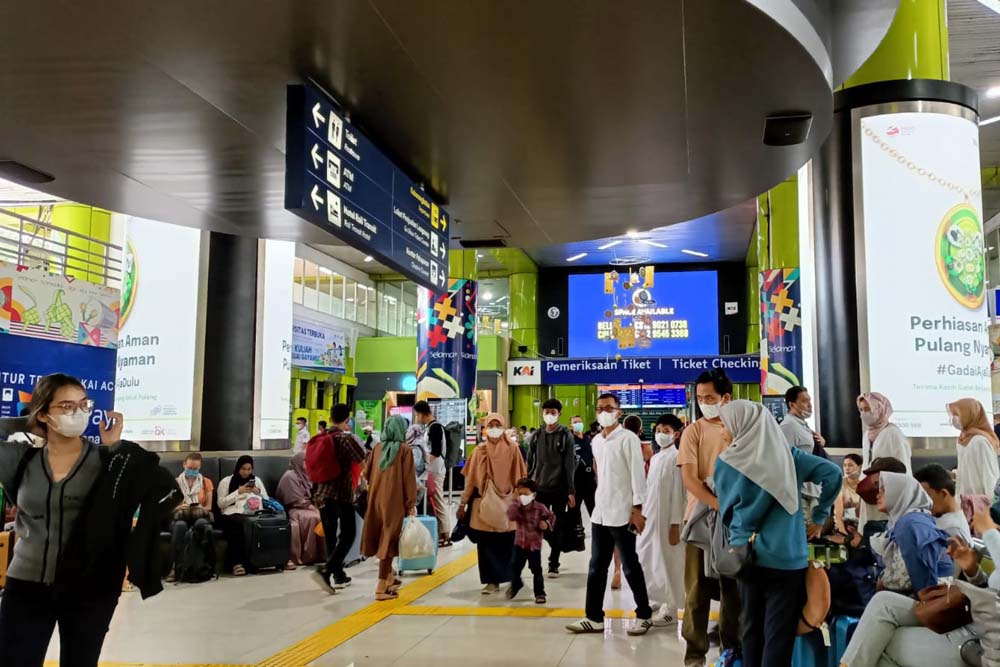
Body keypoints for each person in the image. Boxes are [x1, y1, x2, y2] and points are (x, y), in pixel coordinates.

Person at [0, 373, 178, 667]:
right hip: (27, 584)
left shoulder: (108, 460)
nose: (79, 413)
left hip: (90, 586)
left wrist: (117, 447)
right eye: (67, 407)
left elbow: (167, 489)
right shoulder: (21, 459)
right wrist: (25, 422)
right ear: (44, 413)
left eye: (84, 404)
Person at [715, 400, 842, 667]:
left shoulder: (726, 463)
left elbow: (726, 511)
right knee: (779, 633)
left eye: (725, 424)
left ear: (742, 426)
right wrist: (819, 518)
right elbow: (833, 474)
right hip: (787, 558)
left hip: (747, 556)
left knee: (751, 627)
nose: (723, 430)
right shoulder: (791, 456)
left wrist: (742, 531)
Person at [840, 493, 978, 667]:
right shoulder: (910, 523)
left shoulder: (913, 525)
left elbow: (901, 578)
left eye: (883, 489)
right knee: (880, 616)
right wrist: (973, 571)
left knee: (879, 638)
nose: (878, 495)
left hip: (973, 638)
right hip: (965, 618)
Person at [566, 393, 653, 637]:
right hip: (601, 512)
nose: (604, 412)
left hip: (623, 512)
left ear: (619, 412)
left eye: (609, 408)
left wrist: (638, 509)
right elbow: (600, 475)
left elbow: (638, 475)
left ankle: (644, 614)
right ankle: (593, 617)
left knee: (630, 566)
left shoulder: (628, 439)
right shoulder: (596, 442)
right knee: (596, 567)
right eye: (600, 408)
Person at [678, 369, 741, 666]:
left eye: (710, 398)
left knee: (733, 591)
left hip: (737, 523)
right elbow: (690, 479)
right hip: (700, 521)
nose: (705, 403)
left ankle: (731, 652)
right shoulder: (694, 431)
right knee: (696, 591)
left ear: (726, 397)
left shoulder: (741, 429)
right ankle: (694, 654)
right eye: (700, 398)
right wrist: (717, 503)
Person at [458, 412, 527, 594]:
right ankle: (492, 581)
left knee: (507, 543)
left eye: (498, 424)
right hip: (484, 505)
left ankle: (510, 576)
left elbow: (520, 478)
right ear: (486, 428)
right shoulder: (479, 451)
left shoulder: (513, 449)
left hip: (508, 504)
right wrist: (462, 503)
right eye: (491, 425)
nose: (495, 428)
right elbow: (471, 481)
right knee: (486, 545)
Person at [360, 415, 418, 601]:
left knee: (382, 538)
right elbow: (409, 480)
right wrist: (411, 504)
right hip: (394, 501)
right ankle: (380, 586)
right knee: (390, 541)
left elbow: (367, 475)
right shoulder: (404, 450)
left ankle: (390, 577)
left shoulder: (377, 448)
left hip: (375, 499)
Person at [637, 413, 687, 627]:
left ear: (676, 434)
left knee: (670, 562)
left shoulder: (677, 458)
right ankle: (658, 597)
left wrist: (676, 524)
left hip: (669, 520)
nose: (660, 435)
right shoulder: (656, 458)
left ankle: (672, 608)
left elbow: (679, 494)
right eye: (658, 431)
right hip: (652, 518)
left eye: (665, 431)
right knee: (651, 559)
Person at [313, 403, 367, 592]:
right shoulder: (346, 439)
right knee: (348, 534)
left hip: (321, 494)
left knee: (330, 536)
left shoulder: (320, 438)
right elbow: (364, 462)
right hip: (341, 494)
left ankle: (338, 575)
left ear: (330, 418)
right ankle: (328, 569)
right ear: (348, 419)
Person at [871, 472, 953, 595]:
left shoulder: (910, 524)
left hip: (931, 598)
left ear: (900, 493)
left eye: (884, 490)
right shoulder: (910, 520)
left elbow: (912, 577)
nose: (878, 495)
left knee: (881, 600)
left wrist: (883, 581)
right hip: (932, 594)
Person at [527, 398, 576, 578]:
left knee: (558, 525)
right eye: (546, 412)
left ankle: (553, 562)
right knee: (538, 524)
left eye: (553, 412)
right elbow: (530, 462)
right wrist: (528, 485)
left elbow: (569, 464)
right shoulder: (537, 436)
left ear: (559, 414)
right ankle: (540, 558)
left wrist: (571, 490)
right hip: (539, 488)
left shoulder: (565, 436)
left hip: (559, 489)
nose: (549, 415)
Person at [218, 455, 275, 576]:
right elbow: (221, 504)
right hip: (231, 513)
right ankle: (236, 563)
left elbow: (266, 499)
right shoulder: (227, 481)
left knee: (257, 524)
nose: (246, 472)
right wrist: (238, 492)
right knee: (238, 527)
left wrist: (257, 492)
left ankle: (256, 561)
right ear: (238, 468)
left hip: (252, 512)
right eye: (243, 469)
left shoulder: (257, 481)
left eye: (249, 469)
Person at [948, 398, 1000, 523]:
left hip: (980, 506)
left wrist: (992, 511)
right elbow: (969, 469)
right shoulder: (963, 439)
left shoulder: (980, 441)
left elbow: (991, 476)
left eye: (957, 414)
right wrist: (955, 474)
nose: (953, 418)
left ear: (968, 414)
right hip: (965, 502)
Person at [505, 477, 556, 604]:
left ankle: (540, 593)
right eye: (520, 493)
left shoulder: (540, 508)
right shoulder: (516, 506)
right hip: (520, 543)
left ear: (533, 494)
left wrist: (546, 523)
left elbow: (551, 516)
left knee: (536, 570)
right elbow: (511, 515)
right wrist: (516, 501)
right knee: (514, 567)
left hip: (534, 545)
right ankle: (516, 584)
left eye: (525, 494)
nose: (523, 496)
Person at [167, 452, 215, 581]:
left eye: (195, 469)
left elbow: (209, 507)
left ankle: (201, 566)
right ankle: (175, 567)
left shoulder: (206, 482)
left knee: (201, 524)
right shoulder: (175, 483)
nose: (192, 471)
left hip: (199, 515)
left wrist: (199, 507)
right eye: (190, 468)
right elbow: (169, 507)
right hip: (181, 516)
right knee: (180, 526)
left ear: (200, 467)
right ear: (184, 465)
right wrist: (179, 507)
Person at [412, 400, 451, 547]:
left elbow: (435, 451)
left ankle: (445, 533)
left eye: (418, 415)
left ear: (423, 414)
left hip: (435, 470)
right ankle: (442, 532)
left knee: (439, 500)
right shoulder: (431, 427)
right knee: (436, 499)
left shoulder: (435, 428)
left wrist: (425, 463)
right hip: (433, 469)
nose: (417, 418)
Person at [275, 453, 325, 566]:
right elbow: (295, 499)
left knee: (323, 515)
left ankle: (321, 555)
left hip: (307, 506)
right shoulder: (289, 476)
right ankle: (308, 556)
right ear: (298, 462)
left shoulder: (307, 475)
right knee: (313, 518)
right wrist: (312, 507)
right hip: (294, 509)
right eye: (305, 461)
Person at [914, 463, 973, 545]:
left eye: (926, 497)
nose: (922, 503)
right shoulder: (940, 519)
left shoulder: (952, 530)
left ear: (943, 494)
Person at [857, 392, 911, 472]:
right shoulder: (866, 435)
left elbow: (903, 467)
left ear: (880, 409)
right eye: (861, 410)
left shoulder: (893, 433)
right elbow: (866, 465)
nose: (863, 414)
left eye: (867, 409)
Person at [571, 414, 597, 518]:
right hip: (576, 480)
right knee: (575, 509)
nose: (578, 424)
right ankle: (578, 531)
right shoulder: (570, 440)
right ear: (571, 425)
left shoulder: (588, 439)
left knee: (594, 507)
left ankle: (597, 530)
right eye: (575, 422)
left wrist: (596, 473)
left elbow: (593, 458)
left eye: (579, 422)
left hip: (590, 479)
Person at [832, 453, 863, 535]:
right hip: (843, 523)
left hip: (861, 523)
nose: (847, 468)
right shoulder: (840, 483)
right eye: (844, 465)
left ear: (859, 467)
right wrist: (843, 532)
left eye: (850, 465)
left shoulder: (865, 484)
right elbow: (838, 515)